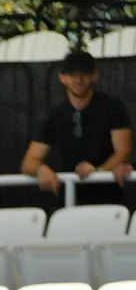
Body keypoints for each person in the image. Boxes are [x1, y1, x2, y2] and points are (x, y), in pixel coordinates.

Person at [21, 49, 133, 205]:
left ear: (94, 76)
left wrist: (98, 172)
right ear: (62, 78)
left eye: (84, 74)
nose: (78, 80)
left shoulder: (112, 106)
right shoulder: (55, 114)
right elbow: (29, 161)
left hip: (108, 199)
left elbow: (124, 151)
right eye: (72, 74)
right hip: (69, 199)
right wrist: (41, 170)